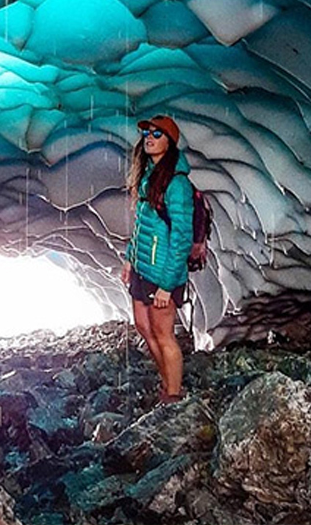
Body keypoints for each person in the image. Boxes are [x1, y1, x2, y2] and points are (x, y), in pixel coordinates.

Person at [123, 114, 195, 404]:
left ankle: (174, 397)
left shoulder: (177, 185)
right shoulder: (148, 177)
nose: (149, 138)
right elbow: (142, 224)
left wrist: (167, 286)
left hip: (163, 272)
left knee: (164, 335)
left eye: (157, 134)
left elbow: (181, 239)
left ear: (170, 142)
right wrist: (129, 259)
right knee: (144, 326)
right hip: (142, 268)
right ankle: (167, 382)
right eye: (147, 134)